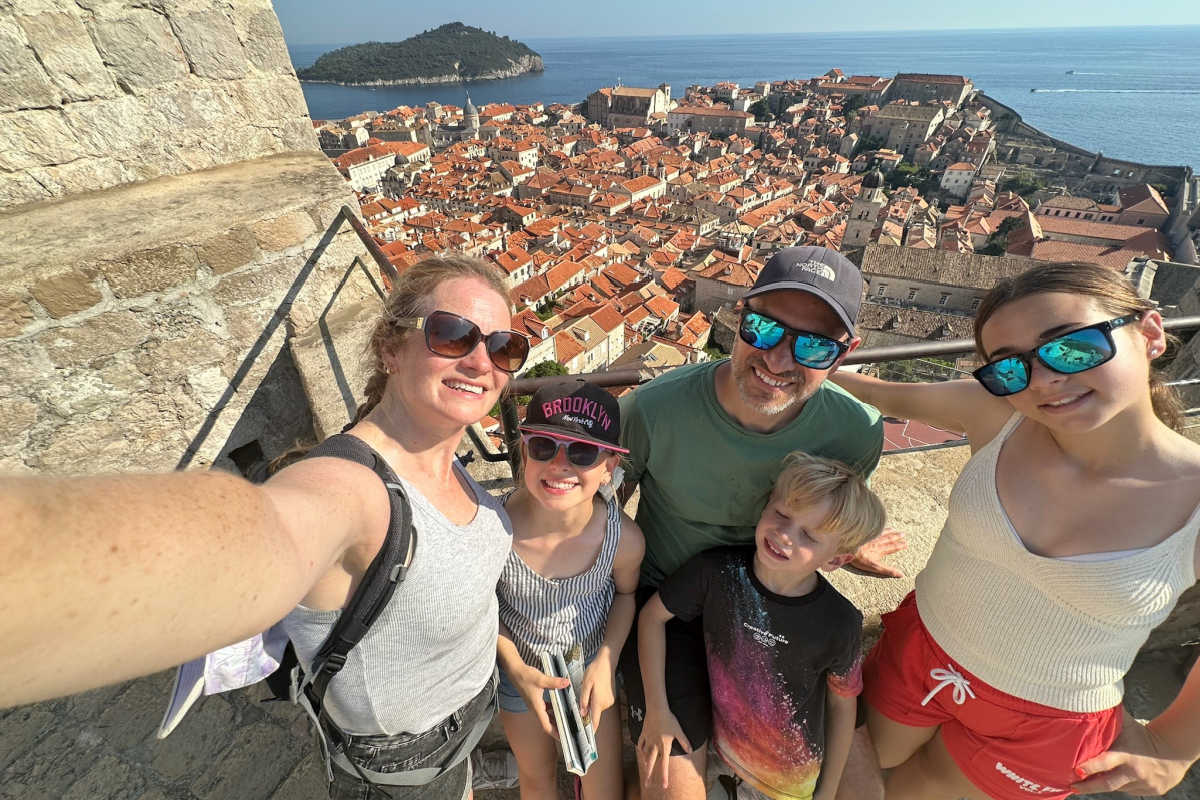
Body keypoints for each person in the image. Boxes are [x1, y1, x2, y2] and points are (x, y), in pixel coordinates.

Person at [0, 254, 567, 800]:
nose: (480, 361)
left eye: (503, 346)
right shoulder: (351, 491)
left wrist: (511, 662)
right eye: (452, 335)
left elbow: (452, 598)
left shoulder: (455, 472)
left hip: (467, 721)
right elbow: (265, 530)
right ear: (390, 348)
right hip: (404, 769)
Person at [831, 260, 1200, 799]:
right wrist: (786, 351)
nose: (1045, 379)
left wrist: (1177, 749)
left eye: (1072, 347)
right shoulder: (997, 413)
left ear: (1149, 334)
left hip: (1049, 721)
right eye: (1010, 368)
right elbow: (882, 393)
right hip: (921, 652)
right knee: (853, 776)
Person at [616, 245, 903, 799]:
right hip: (672, 609)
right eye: (764, 329)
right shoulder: (652, 410)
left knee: (863, 789)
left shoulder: (856, 431)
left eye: (814, 345)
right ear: (738, 319)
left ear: (844, 354)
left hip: (784, 611)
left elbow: (829, 513)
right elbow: (598, 521)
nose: (777, 361)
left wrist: (846, 549)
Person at [637, 452, 887, 800]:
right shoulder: (713, 573)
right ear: (767, 504)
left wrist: (827, 791)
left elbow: (842, 706)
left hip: (790, 785)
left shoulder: (840, 621)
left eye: (809, 536)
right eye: (782, 514)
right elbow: (651, 617)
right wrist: (658, 710)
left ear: (837, 560)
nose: (785, 535)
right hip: (718, 757)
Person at [494, 379, 645, 799]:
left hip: (590, 672)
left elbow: (626, 597)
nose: (560, 465)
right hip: (520, 676)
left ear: (609, 466)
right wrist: (516, 669)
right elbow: (484, 612)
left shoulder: (623, 541)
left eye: (581, 452)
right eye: (544, 445)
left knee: (602, 789)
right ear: (524, 448)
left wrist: (604, 664)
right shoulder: (491, 531)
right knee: (537, 779)